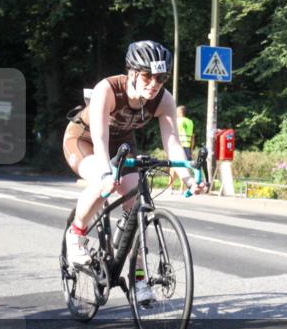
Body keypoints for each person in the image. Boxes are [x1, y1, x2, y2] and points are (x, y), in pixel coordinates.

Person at [63, 40, 207, 304]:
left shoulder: (164, 100)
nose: (154, 83)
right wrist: (107, 172)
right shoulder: (107, 89)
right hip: (84, 140)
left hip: (122, 146)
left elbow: (172, 141)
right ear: (131, 72)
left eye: (161, 77)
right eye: (147, 75)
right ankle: (77, 234)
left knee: (137, 209)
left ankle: (138, 278)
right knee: (102, 179)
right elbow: (100, 135)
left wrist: (188, 176)